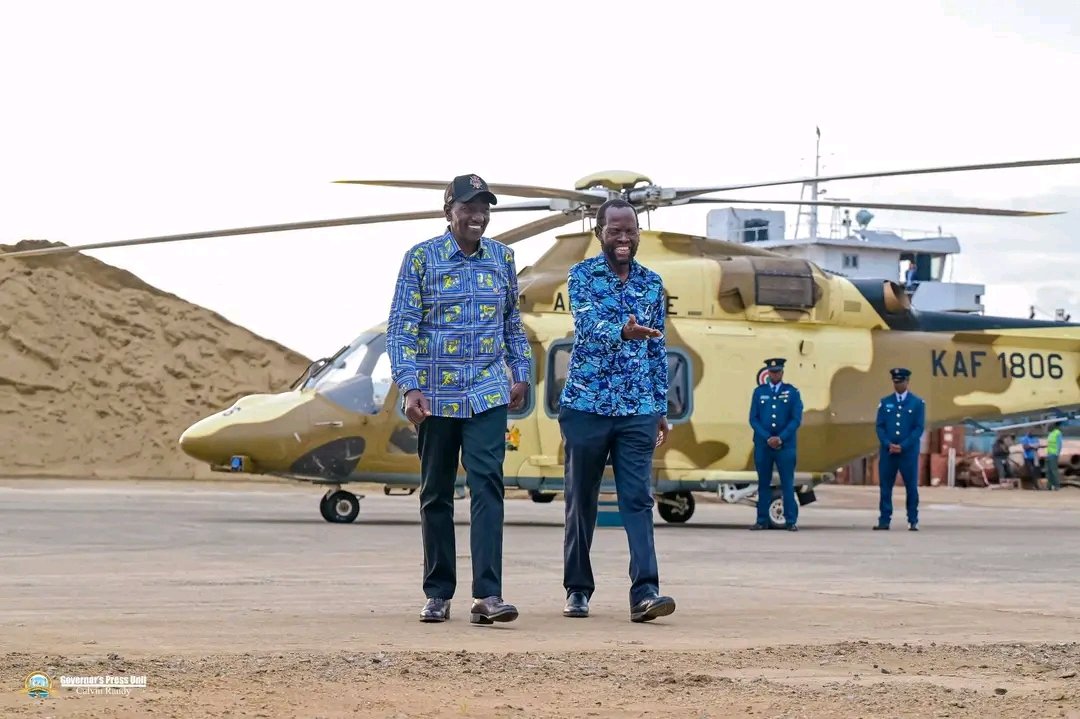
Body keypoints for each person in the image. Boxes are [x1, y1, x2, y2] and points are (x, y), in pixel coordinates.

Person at [386, 173, 532, 624]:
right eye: (469, 208)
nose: (478, 216)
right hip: (435, 394)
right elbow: (401, 327)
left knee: (488, 483)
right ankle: (438, 592)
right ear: (449, 211)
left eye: (484, 208)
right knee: (436, 492)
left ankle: (488, 595)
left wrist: (521, 371)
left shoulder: (503, 258)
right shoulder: (421, 259)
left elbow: (512, 321)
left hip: (486, 390)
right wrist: (409, 386)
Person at [558, 197, 675, 624]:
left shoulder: (651, 283)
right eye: (615, 231)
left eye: (630, 231)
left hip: (638, 409)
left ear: (639, 234)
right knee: (580, 500)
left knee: (638, 499)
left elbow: (658, 348)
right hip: (586, 405)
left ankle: (646, 591)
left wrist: (660, 407)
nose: (623, 238)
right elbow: (586, 324)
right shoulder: (582, 275)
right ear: (599, 234)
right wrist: (621, 331)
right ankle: (577, 589)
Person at [748, 358, 804, 531]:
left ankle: (791, 521)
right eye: (772, 372)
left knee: (787, 484)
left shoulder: (792, 392)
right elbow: (753, 419)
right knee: (763, 484)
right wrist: (767, 438)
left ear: (782, 373)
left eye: (778, 371)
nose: (775, 374)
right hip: (764, 446)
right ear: (768, 373)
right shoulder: (759, 392)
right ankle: (761, 520)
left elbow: (796, 419)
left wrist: (780, 438)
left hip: (785, 446)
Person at [873, 368, 925, 531]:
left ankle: (913, 519)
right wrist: (888, 443)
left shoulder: (917, 403)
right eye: (895, 382)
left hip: (907, 452)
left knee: (911, 487)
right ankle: (884, 519)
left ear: (907, 382)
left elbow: (918, 428)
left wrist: (903, 446)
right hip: (888, 452)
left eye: (901, 382)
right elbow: (880, 426)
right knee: (885, 487)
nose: (898, 385)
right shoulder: (885, 402)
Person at [1046, 424, 1063, 491]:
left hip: (1054, 454)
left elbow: (1060, 443)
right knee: (1048, 471)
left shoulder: (1057, 433)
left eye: (1049, 427)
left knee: (1054, 470)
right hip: (1049, 454)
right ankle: (1049, 486)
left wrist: (1057, 453)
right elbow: (1049, 444)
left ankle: (1057, 485)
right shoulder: (1050, 433)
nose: (1048, 428)